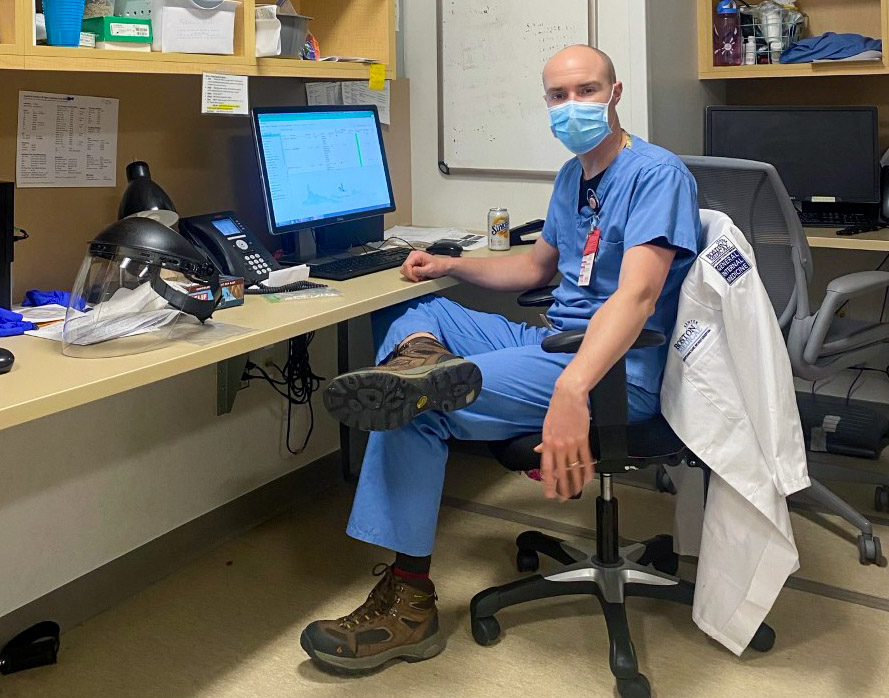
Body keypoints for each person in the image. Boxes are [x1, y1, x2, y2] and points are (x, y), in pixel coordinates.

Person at [300, 45, 701, 674]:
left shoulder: (657, 175)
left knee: (421, 408)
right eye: (559, 96)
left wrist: (573, 390)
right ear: (545, 101)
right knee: (413, 316)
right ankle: (420, 366)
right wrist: (450, 265)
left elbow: (639, 293)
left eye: (587, 91)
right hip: (550, 342)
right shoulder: (574, 176)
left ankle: (409, 604)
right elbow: (536, 268)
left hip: (614, 369)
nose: (573, 107)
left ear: (616, 93)